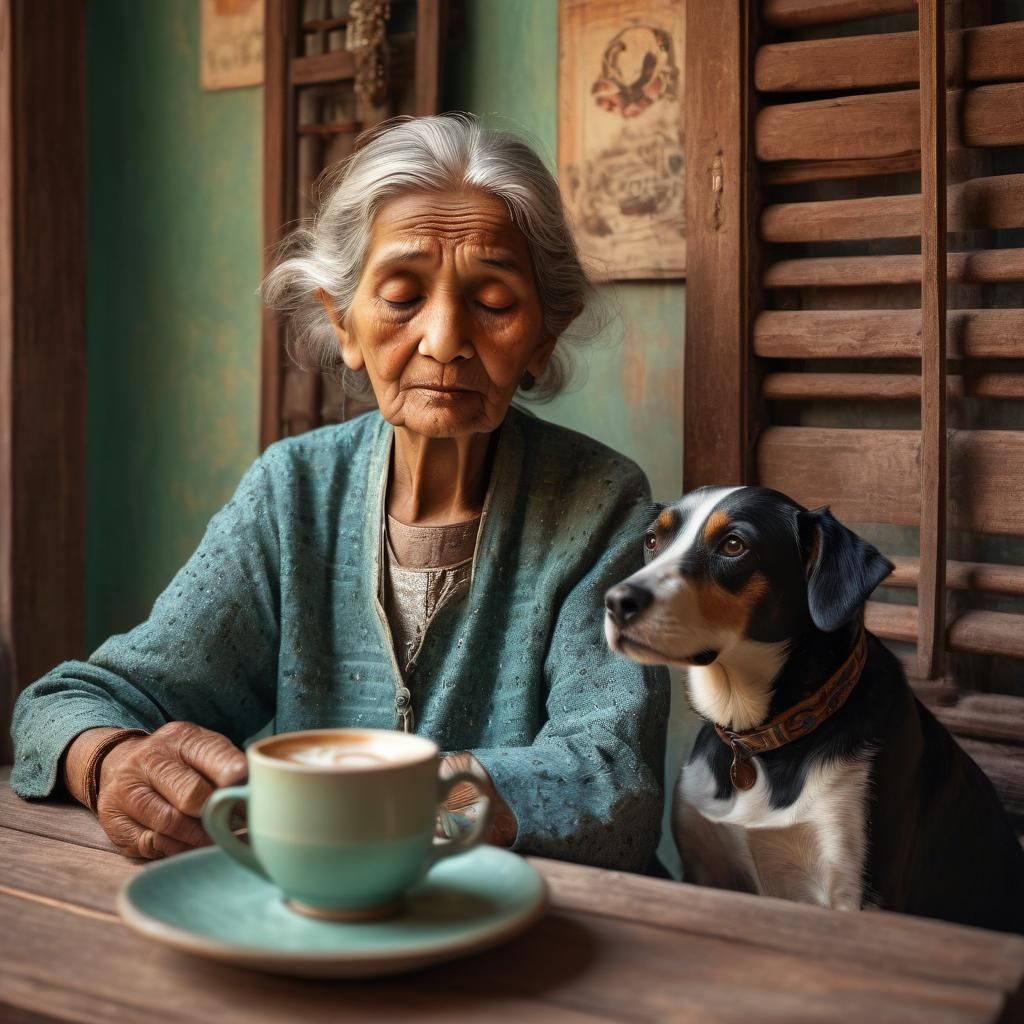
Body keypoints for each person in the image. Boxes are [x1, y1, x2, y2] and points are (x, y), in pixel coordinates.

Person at [10, 114, 669, 871]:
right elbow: (66, 703)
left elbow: (613, 778)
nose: (445, 338)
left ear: (543, 338)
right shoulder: (293, 495)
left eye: (493, 302)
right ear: (342, 321)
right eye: (400, 295)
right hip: (319, 921)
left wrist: (394, 809)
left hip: (528, 939)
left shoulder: (603, 504)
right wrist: (111, 762)